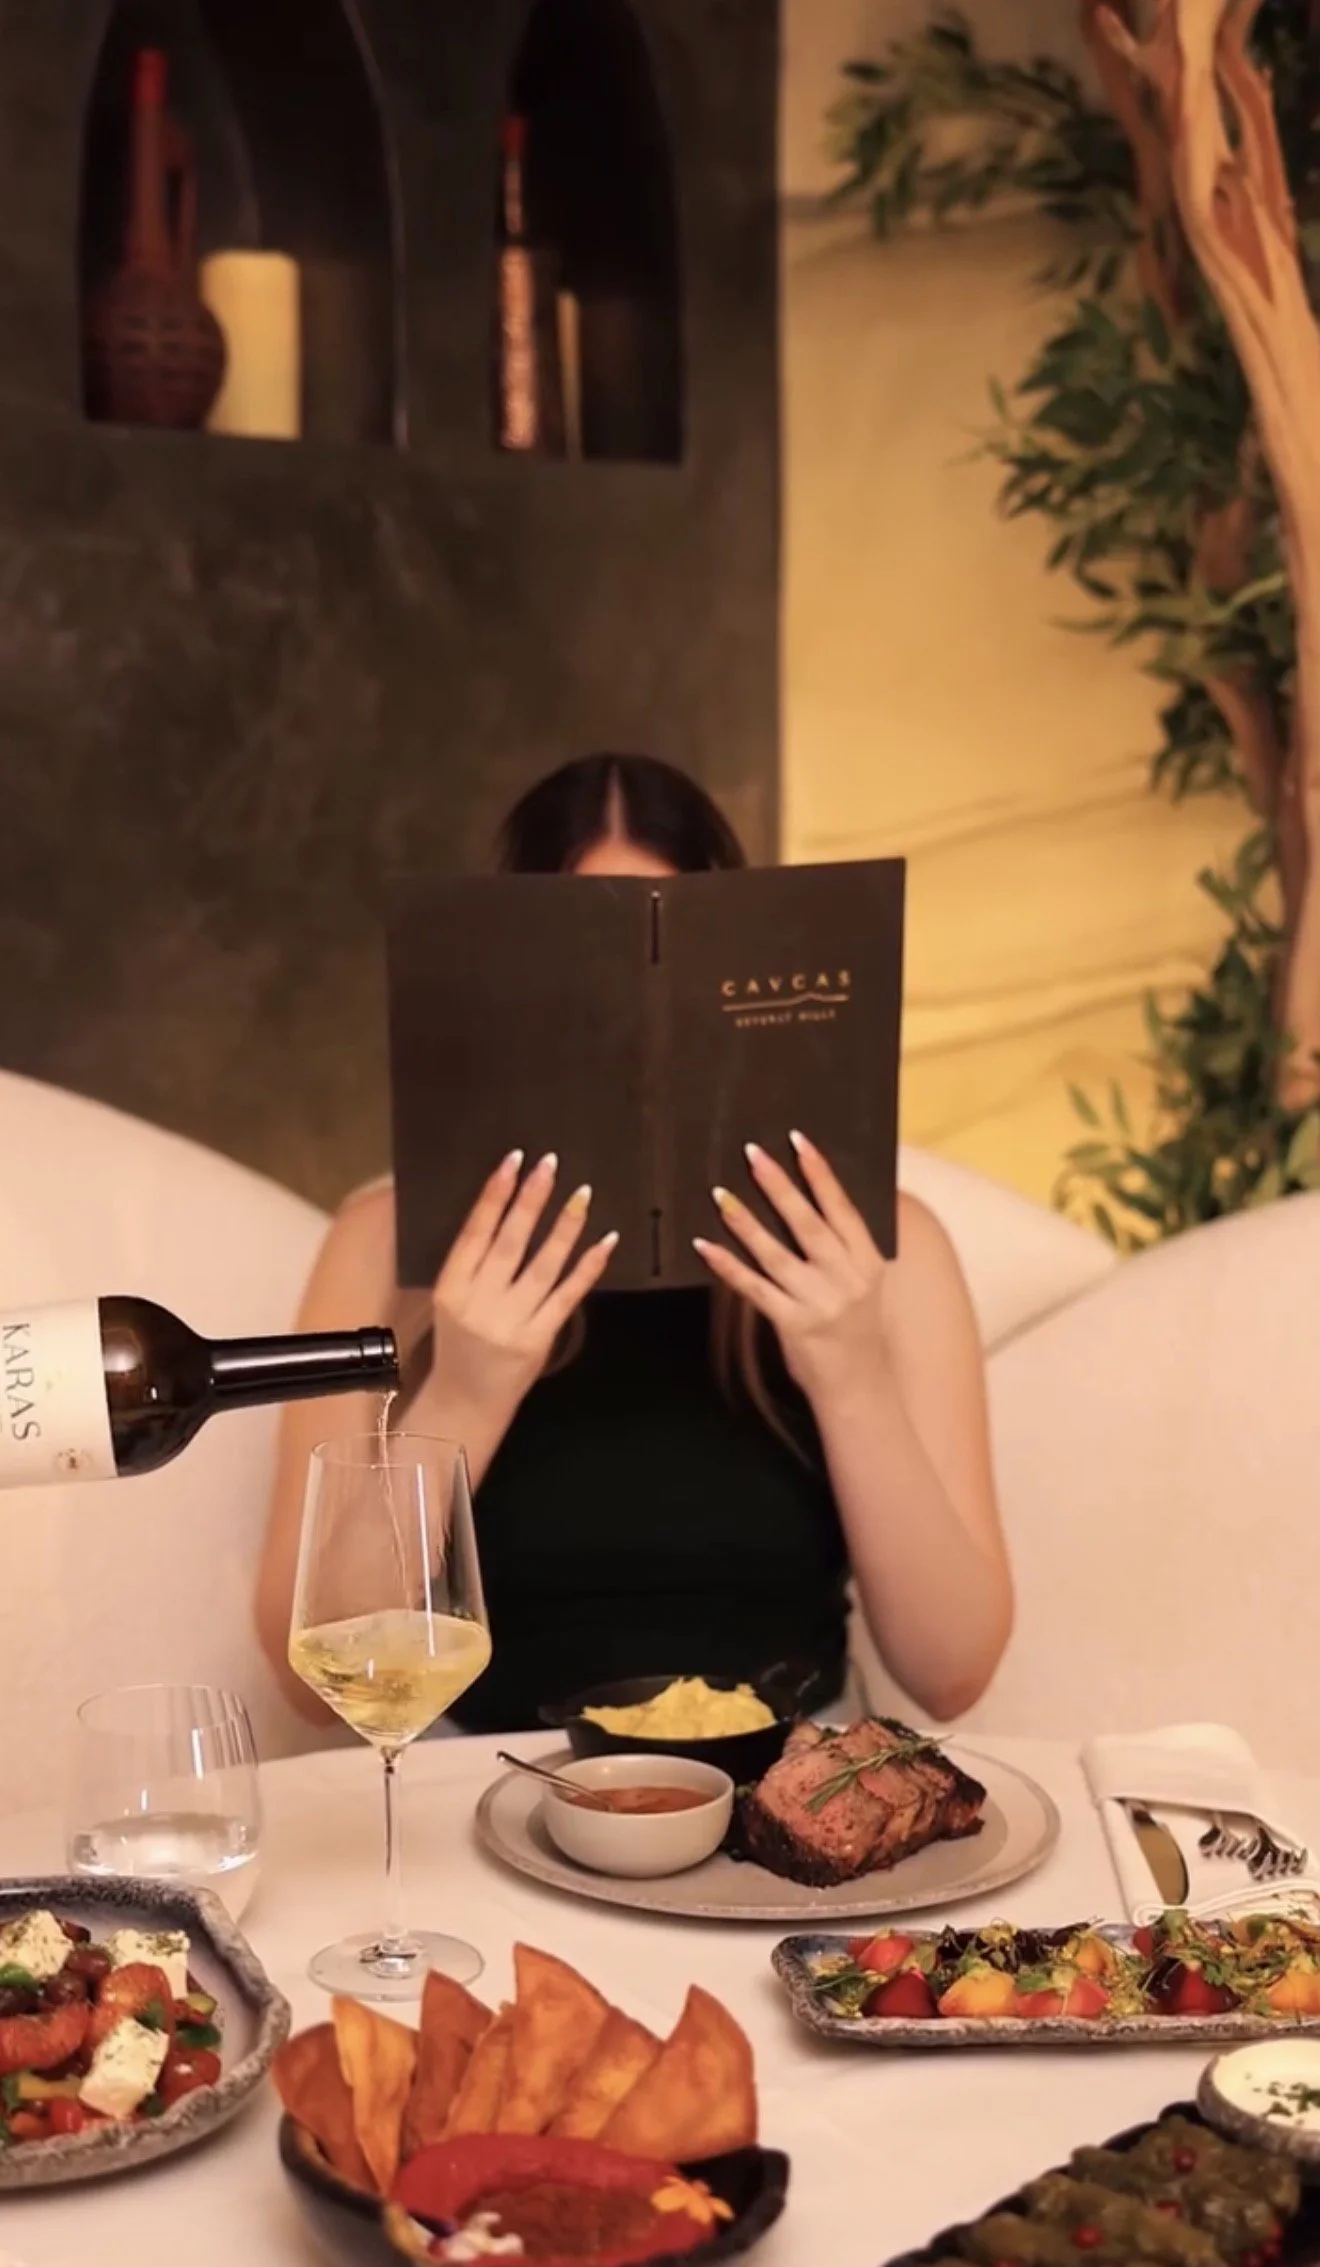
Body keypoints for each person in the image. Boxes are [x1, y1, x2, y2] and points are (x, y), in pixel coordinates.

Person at [256, 755, 1012, 1731]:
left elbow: (953, 1668)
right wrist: (469, 1389)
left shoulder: (886, 1246)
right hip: (485, 1796)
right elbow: (310, 1677)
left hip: (782, 1800)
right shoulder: (382, 1246)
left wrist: (849, 1371)